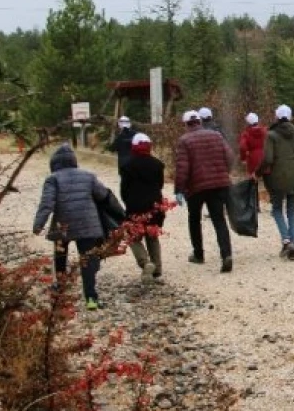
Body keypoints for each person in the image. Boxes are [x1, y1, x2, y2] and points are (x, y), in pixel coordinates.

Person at [33, 142, 124, 310]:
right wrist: (121, 215)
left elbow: (47, 204)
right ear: (74, 161)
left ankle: (59, 291)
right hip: (88, 225)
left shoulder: (52, 179)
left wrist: (39, 224)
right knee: (87, 260)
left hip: (63, 226)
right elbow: (104, 195)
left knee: (60, 258)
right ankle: (91, 299)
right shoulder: (88, 176)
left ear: (54, 163)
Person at [174, 110, 235, 273]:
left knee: (194, 219)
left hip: (196, 187)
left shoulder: (184, 140)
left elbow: (182, 168)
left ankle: (198, 254)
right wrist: (224, 173)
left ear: (186, 124)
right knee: (219, 220)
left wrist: (179, 189)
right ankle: (226, 255)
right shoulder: (216, 135)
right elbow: (229, 156)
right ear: (200, 122)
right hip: (219, 184)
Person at [261, 104, 294, 260]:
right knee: (291, 212)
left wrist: (258, 172)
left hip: (277, 178)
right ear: (290, 118)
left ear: (276, 117)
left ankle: (286, 240)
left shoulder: (271, 135)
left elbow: (268, 159)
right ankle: (293, 245)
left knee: (277, 209)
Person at [120, 132, 166, 282]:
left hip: (135, 206)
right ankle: (157, 269)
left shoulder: (127, 166)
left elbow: (124, 189)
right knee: (152, 236)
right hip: (155, 206)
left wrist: (127, 202)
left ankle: (145, 262)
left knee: (133, 236)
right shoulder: (158, 164)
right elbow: (160, 185)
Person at [238, 112, 268, 177]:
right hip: (265, 158)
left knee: (253, 181)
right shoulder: (265, 131)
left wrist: (243, 158)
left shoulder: (246, 134)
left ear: (248, 123)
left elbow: (242, 147)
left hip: (252, 159)